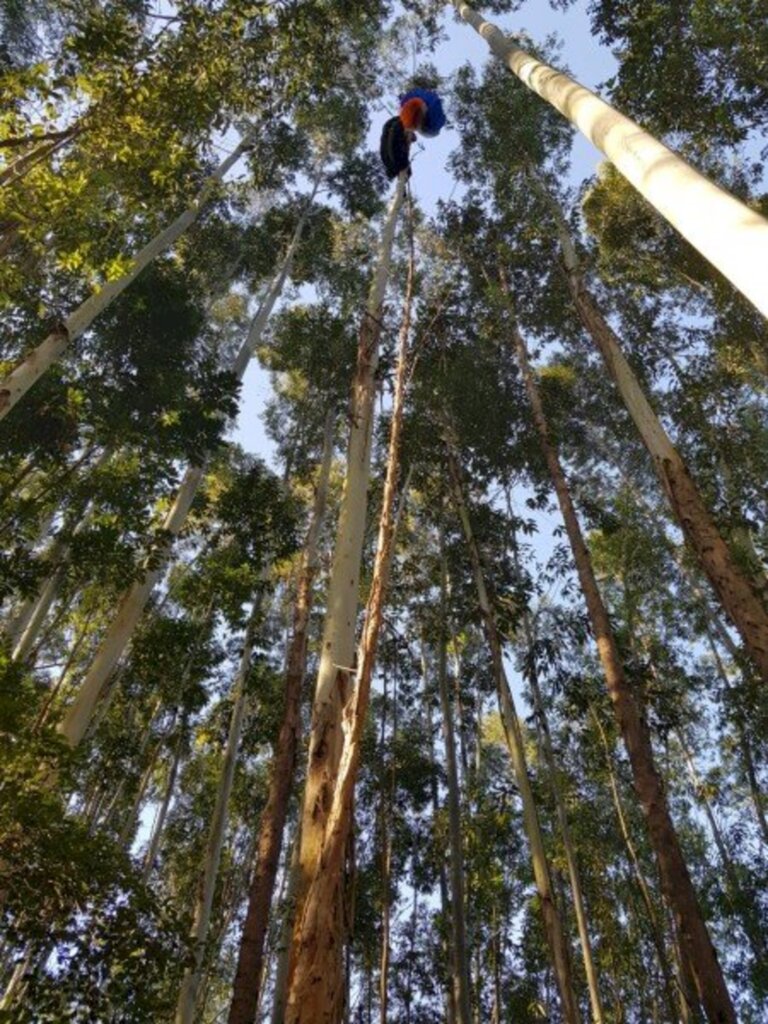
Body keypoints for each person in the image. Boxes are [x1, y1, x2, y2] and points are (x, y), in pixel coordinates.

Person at [380, 88, 445, 180]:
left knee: (430, 130)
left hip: (414, 110)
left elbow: (392, 137)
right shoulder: (393, 161)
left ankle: (415, 122)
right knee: (430, 131)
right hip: (415, 111)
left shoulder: (400, 122)